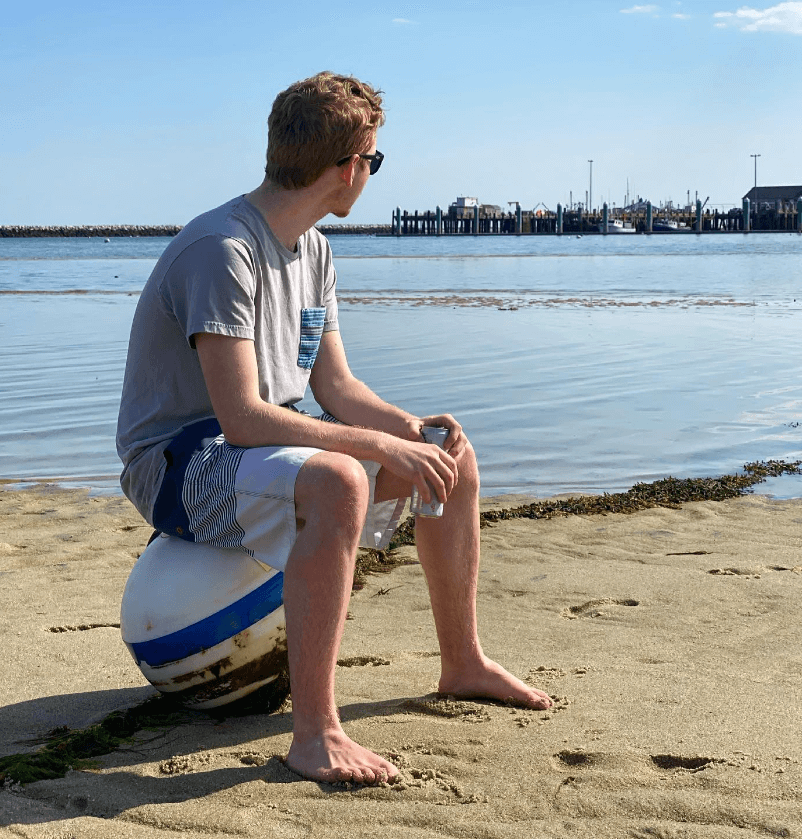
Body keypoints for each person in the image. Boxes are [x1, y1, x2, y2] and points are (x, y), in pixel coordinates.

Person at [116, 71, 551, 786]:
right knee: (343, 476)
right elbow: (242, 416)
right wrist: (375, 446)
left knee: (445, 457)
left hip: (264, 443)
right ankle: (314, 732)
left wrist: (411, 430)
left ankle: (463, 661)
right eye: (373, 162)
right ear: (349, 167)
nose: (369, 175)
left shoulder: (314, 250)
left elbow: (335, 388)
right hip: (173, 463)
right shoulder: (221, 251)